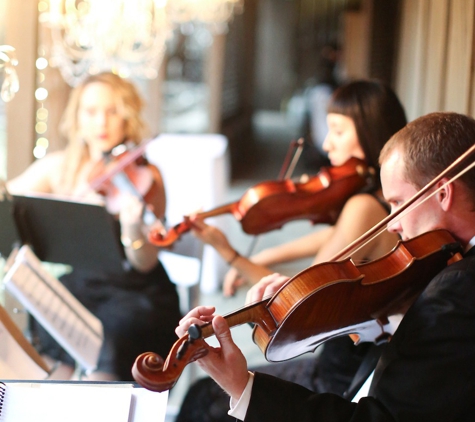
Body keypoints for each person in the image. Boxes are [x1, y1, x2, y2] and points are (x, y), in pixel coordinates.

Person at [176, 111, 475, 421]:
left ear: (442, 193)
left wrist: (240, 385)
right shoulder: (450, 259)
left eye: (398, 203)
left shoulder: (459, 287)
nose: (392, 224)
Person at [7, 72, 182, 381]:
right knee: (48, 345)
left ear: (127, 117)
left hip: (137, 293)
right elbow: (8, 197)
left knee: (109, 349)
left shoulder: (145, 174)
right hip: (81, 286)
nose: (101, 122)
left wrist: (130, 227)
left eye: (112, 111)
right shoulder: (60, 167)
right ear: (77, 117)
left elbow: (145, 263)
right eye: (91, 111)